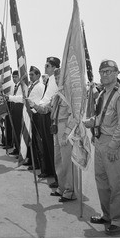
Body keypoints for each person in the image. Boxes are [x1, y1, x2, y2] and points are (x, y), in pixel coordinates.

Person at [83, 59, 120, 235]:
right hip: (101, 142)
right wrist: (87, 123)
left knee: (116, 185)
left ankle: (119, 221)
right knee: (102, 182)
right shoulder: (102, 94)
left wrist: (112, 146)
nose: (104, 74)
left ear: (117, 73)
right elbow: (101, 118)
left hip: (114, 145)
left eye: (109, 71)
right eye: (102, 71)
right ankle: (107, 215)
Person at [28, 68, 77, 201]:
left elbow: (75, 116)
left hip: (65, 129)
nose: (57, 80)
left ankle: (70, 191)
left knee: (67, 163)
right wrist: (34, 105)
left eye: (59, 78)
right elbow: (46, 109)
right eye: (55, 78)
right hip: (55, 129)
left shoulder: (71, 95)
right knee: (58, 161)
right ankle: (62, 188)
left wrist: (66, 133)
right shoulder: (57, 95)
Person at [35, 57, 60, 183]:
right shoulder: (49, 80)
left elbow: (51, 99)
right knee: (45, 144)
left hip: (50, 114)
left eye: (47, 65)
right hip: (43, 112)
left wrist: (40, 107)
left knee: (52, 146)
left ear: (54, 67)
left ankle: (57, 175)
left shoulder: (56, 80)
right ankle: (49, 170)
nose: (45, 67)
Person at [23, 66, 44, 170]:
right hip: (30, 114)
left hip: (36, 114)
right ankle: (33, 161)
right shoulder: (31, 86)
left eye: (32, 74)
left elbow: (39, 101)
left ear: (38, 75)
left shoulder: (40, 86)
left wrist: (33, 110)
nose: (30, 76)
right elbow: (25, 99)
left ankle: (39, 164)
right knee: (32, 139)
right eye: (29, 74)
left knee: (37, 140)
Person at [5, 70, 23, 156]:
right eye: (13, 77)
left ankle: (20, 150)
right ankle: (16, 148)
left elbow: (21, 97)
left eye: (16, 77)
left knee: (19, 130)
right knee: (15, 130)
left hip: (20, 109)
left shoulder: (22, 85)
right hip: (14, 108)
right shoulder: (14, 86)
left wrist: (10, 98)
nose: (14, 79)